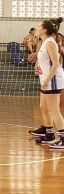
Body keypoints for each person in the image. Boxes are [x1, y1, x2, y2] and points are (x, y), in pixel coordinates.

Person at [30, 18, 64, 148]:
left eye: (39, 27)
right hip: (46, 79)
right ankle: (49, 134)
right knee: (43, 107)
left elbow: (56, 63)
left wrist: (48, 80)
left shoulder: (50, 42)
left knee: (54, 110)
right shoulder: (44, 42)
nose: (37, 28)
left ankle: (63, 137)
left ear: (44, 30)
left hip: (53, 80)